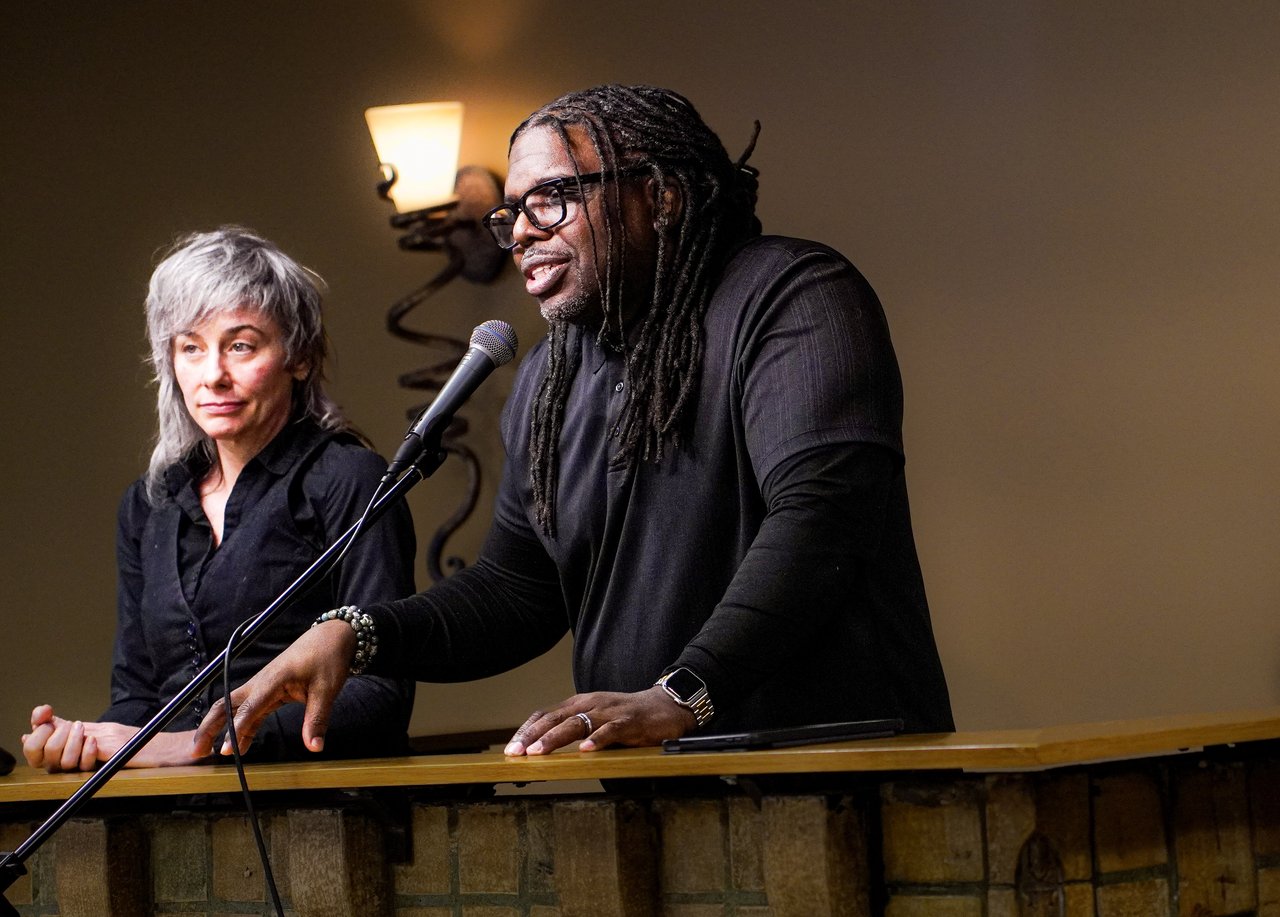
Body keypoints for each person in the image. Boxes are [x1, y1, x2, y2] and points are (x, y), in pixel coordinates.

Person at [195, 84, 953, 762]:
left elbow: (821, 520)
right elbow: (516, 592)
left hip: (841, 773)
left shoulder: (793, 297)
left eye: (550, 197)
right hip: (656, 791)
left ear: (660, 197)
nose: (521, 231)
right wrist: (358, 633)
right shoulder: (550, 380)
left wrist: (684, 693)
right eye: (510, 212)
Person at [22, 227, 417, 772]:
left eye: (240, 345)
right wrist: (89, 742)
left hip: (313, 810)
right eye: (191, 347)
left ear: (298, 356)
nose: (213, 376)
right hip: (177, 810)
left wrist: (200, 744)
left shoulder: (347, 477)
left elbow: (379, 699)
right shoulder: (149, 505)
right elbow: (138, 695)